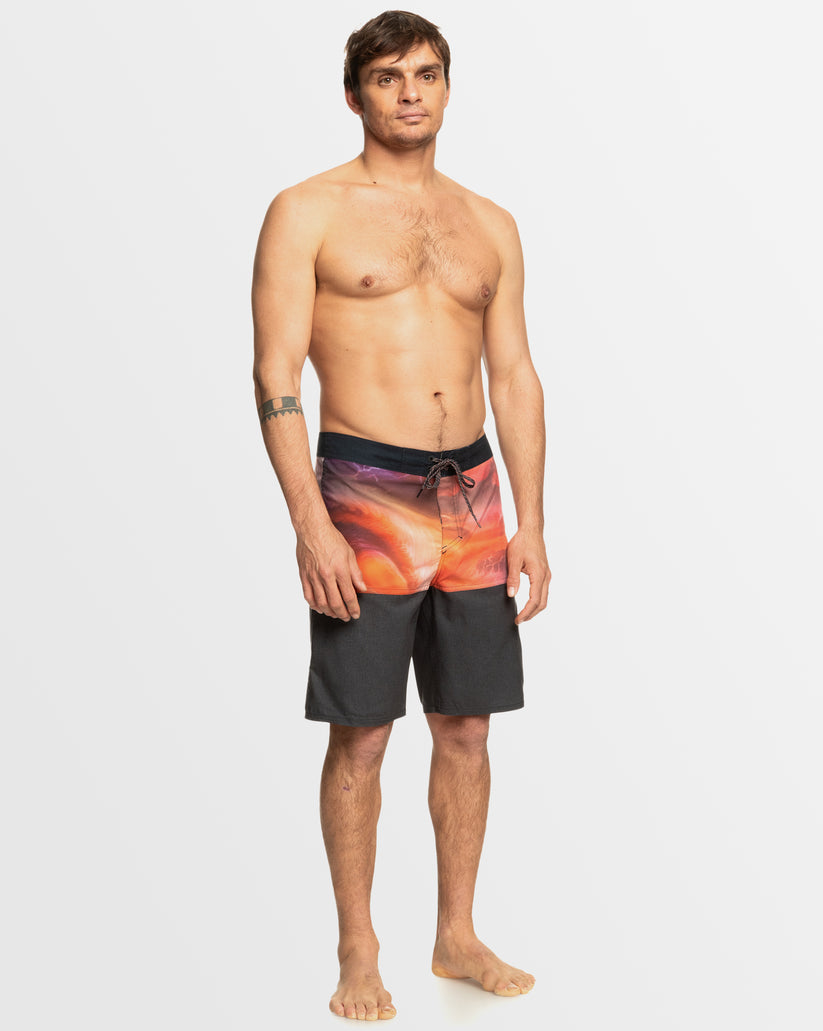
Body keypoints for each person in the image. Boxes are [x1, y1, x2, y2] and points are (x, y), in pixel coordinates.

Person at [252, 10, 550, 1021]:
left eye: (426, 74)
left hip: (472, 494)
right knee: (364, 733)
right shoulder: (307, 211)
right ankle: (358, 946)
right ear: (355, 94)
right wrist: (310, 521)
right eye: (387, 77)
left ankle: (456, 932)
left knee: (465, 727)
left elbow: (514, 374)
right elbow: (274, 371)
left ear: (448, 88)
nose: (410, 92)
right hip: (364, 491)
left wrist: (531, 520)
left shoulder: (489, 223)